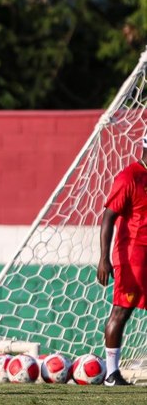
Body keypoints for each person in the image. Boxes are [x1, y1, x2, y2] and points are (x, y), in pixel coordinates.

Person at [96, 137, 147, 386]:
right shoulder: (129, 177)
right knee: (121, 311)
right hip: (132, 256)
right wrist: (104, 258)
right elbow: (108, 218)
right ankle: (111, 373)